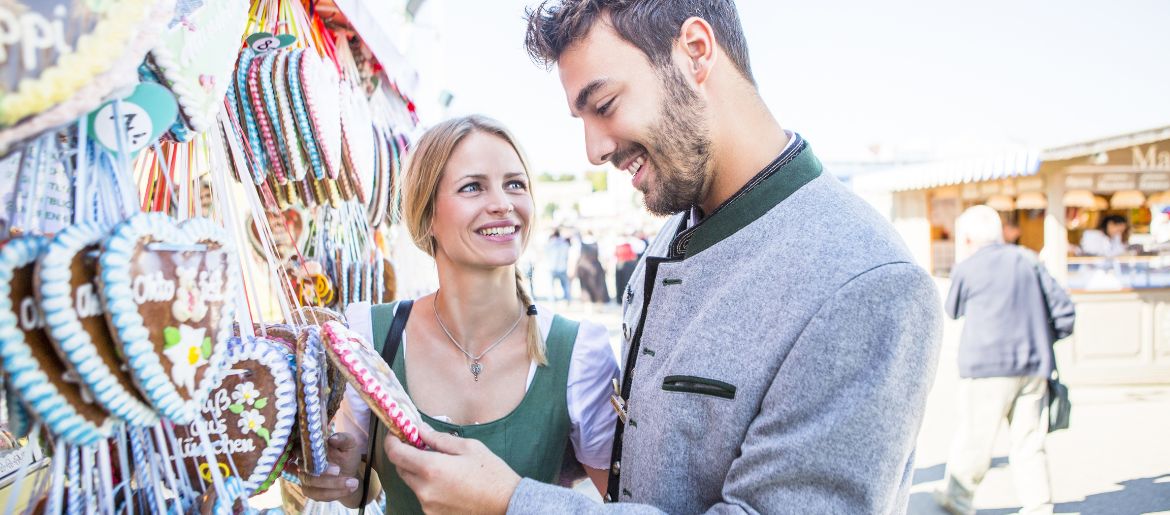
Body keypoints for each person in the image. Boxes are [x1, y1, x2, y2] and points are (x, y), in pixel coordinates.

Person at [383, 2, 942, 513]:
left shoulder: (865, 282)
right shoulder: (671, 233)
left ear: (696, 51)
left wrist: (513, 502)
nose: (595, 149)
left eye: (604, 105)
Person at [295, 115, 620, 514]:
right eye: (473, 187)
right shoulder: (371, 336)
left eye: (515, 184)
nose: (502, 203)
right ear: (427, 213)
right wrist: (342, 478)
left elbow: (620, 503)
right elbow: (361, 488)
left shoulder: (579, 352)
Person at [934, 205, 1075, 515]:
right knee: (1029, 441)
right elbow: (1065, 313)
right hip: (1033, 364)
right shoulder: (1028, 260)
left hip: (986, 366)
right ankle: (1038, 506)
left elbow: (953, 309)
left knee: (975, 437)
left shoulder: (968, 268)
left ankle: (958, 499)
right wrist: (1043, 339)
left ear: (968, 239)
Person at [575, 231, 610, 304]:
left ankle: (588, 308)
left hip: (583, 268)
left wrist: (574, 269)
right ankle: (598, 306)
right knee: (598, 288)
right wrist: (606, 268)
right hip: (595, 267)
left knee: (585, 288)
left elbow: (576, 257)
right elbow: (603, 256)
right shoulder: (597, 243)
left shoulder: (579, 243)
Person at [545, 228, 572, 301]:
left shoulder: (549, 243)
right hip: (562, 267)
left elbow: (545, 254)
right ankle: (567, 299)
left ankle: (552, 300)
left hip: (551, 267)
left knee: (551, 286)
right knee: (565, 285)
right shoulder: (565, 243)